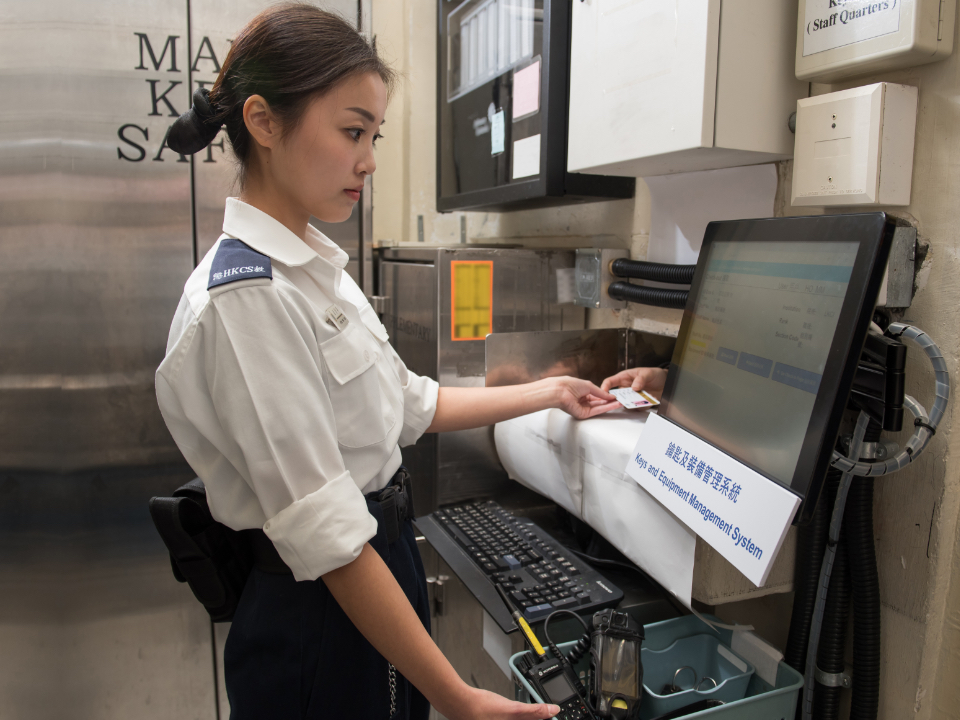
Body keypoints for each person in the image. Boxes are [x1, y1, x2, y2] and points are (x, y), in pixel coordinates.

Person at [155, 5, 619, 720]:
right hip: (320, 609)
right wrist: (457, 697)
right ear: (264, 122)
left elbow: (410, 404)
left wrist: (548, 389)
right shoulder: (247, 300)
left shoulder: (316, 269)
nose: (369, 158)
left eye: (373, 135)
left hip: (379, 567)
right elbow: (329, 540)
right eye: (352, 131)